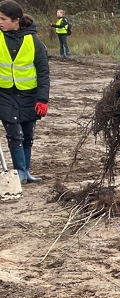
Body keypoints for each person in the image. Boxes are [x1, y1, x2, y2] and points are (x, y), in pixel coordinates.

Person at [0, 0, 49, 184]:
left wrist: (42, 99)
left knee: (28, 134)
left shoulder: (34, 41)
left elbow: (43, 72)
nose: (0, 22)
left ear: (16, 20)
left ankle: (26, 172)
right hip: (4, 95)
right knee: (15, 133)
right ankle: (20, 171)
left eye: (3, 19)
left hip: (29, 95)